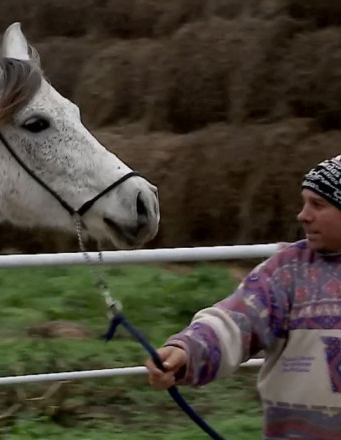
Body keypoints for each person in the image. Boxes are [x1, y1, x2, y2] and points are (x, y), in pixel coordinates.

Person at [145, 154, 341, 439]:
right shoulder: (288, 270)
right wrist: (188, 350)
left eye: (318, 204)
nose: (303, 215)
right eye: (304, 202)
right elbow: (238, 320)